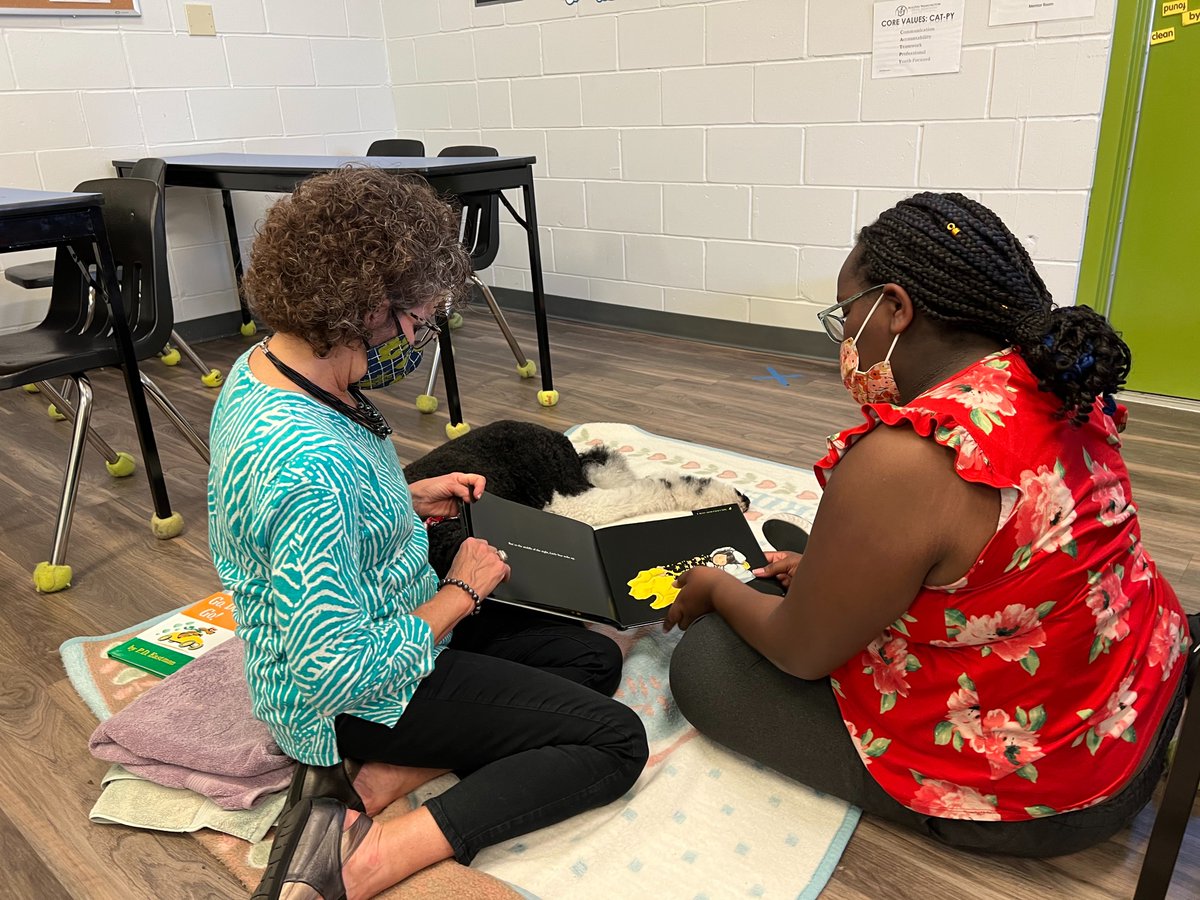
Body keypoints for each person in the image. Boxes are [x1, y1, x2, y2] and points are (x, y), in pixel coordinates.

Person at [667, 192, 1190, 857]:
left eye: (848, 317)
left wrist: (714, 587)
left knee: (708, 661)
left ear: (896, 307)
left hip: (1050, 792)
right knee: (824, 578)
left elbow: (802, 654)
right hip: (1140, 690)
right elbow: (1012, 552)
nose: (846, 342)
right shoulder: (1059, 377)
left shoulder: (906, 459)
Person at [207, 167, 647, 900]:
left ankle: (379, 780)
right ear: (365, 308)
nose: (420, 335)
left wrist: (402, 498)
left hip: (382, 622)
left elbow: (311, 518)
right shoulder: (304, 464)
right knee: (614, 739)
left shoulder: (268, 369)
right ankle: (381, 855)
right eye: (417, 318)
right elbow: (337, 672)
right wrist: (461, 592)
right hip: (348, 700)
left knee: (590, 659)